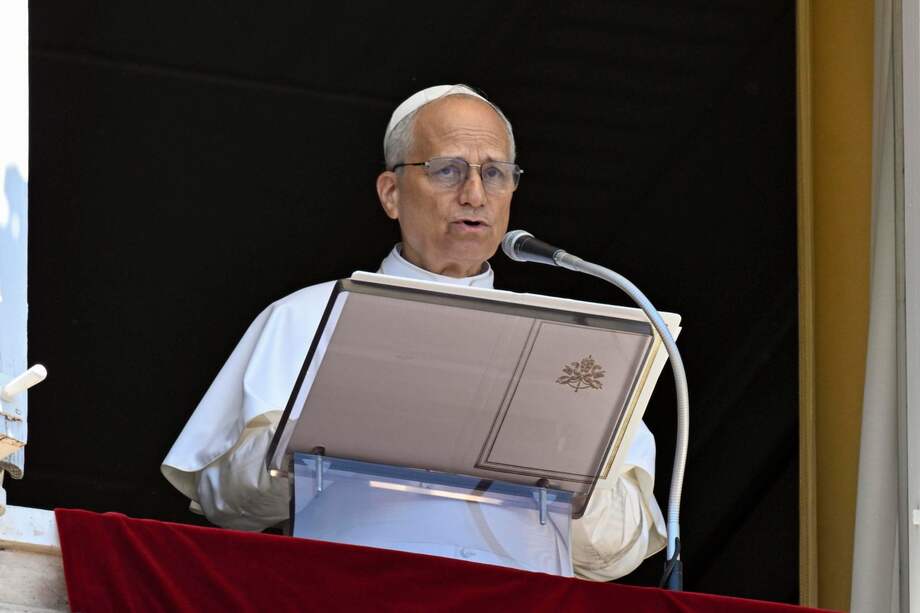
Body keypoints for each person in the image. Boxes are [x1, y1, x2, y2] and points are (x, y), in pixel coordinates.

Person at [162, 84, 666, 580]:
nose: (475, 195)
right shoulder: (306, 316)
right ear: (391, 193)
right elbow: (226, 500)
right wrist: (325, 436)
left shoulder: (573, 342)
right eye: (448, 170)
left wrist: (556, 463)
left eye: (494, 173)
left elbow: (618, 549)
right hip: (353, 591)